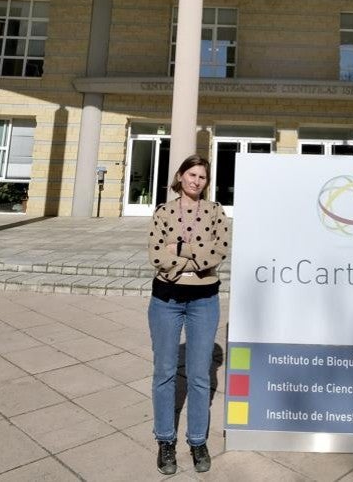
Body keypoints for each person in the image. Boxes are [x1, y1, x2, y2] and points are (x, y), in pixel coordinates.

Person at [147, 155, 230, 475]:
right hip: (166, 300)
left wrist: (177, 250)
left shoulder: (216, 211)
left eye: (202, 177)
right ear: (180, 176)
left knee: (199, 375)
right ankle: (165, 440)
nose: (197, 181)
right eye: (192, 174)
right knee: (164, 372)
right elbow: (156, 255)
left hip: (203, 301)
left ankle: (197, 440)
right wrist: (196, 254)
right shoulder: (163, 212)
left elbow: (219, 250)